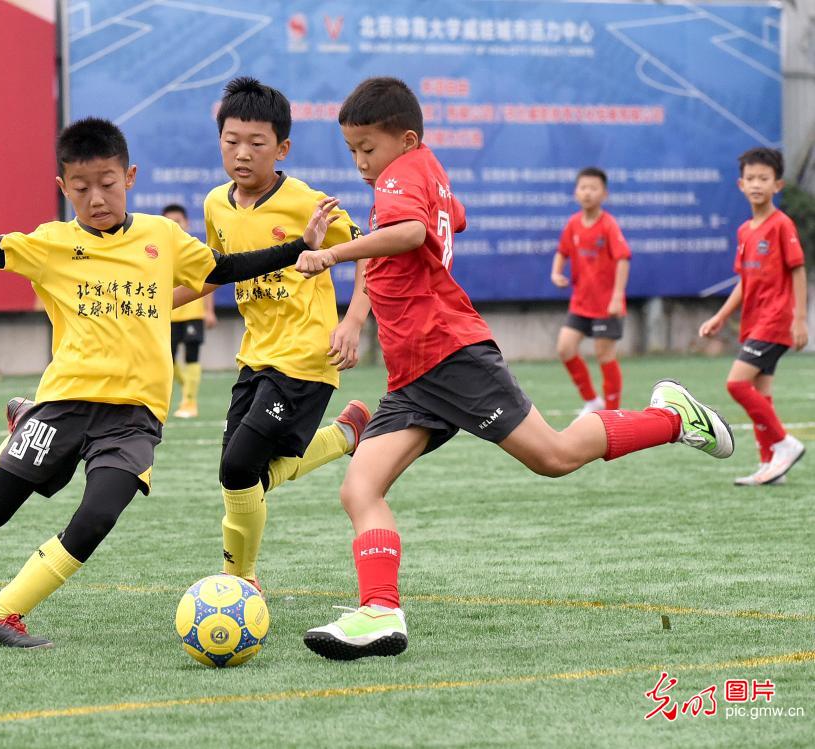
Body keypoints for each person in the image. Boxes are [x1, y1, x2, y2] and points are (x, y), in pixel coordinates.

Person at [0, 117, 342, 649]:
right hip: (65, 403)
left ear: (129, 176)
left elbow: (224, 267)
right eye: (81, 188)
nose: (96, 198)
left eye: (107, 183)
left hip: (133, 418)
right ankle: (21, 424)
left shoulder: (161, 237)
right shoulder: (51, 244)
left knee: (97, 515)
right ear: (64, 187)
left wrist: (298, 247)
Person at [293, 78, 734, 661]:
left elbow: (411, 232)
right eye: (352, 151)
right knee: (359, 488)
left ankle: (672, 418)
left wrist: (330, 253)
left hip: (447, 353)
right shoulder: (424, 170)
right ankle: (380, 612)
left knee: (553, 456)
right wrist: (359, 311)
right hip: (412, 374)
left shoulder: (402, 176)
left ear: (406, 140)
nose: (360, 163)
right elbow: (450, 218)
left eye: (368, 149)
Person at [187, 77, 372, 594]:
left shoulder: (308, 203)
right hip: (255, 357)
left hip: (307, 357)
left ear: (282, 148)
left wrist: (353, 322)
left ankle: (239, 580)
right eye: (231, 141)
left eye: (257, 143)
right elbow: (216, 272)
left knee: (238, 468)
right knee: (242, 474)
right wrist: (153, 309)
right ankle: (345, 436)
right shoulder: (216, 204)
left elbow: (373, 254)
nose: (242, 153)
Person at [699, 147, 807, 486]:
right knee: (761, 393)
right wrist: (720, 316)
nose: (757, 184)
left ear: (778, 185)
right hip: (754, 322)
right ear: (741, 184)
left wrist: (800, 319)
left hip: (775, 321)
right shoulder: (745, 230)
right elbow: (745, 282)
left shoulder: (781, 224)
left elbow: (798, 270)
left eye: (764, 178)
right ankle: (770, 465)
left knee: (736, 384)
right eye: (751, 178)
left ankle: (784, 443)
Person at [550, 167, 631, 416]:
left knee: (604, 355)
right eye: (583, 187)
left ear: (604, 194)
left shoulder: (608, 225)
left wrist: (617, 296)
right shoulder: (573, 224)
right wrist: (556, 273)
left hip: (606, 306)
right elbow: (562, 251)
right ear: (576, 192)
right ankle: (593, 401)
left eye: (593, 188)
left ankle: (613, 413)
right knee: (565, 348)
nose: (587, 193)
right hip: (580, 303)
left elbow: (623, 258)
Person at [163, 203, 216, 418]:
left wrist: (209, 311)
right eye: (170, 221)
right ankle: (187, 386)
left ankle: (189, 402)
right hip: (169, 314)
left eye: (178, 221)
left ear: (186, 223)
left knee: (192, 355)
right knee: (168, 359)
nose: (175, 224)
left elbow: (208, 281)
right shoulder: (157, 251)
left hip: (193, 313)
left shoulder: (196, 249)